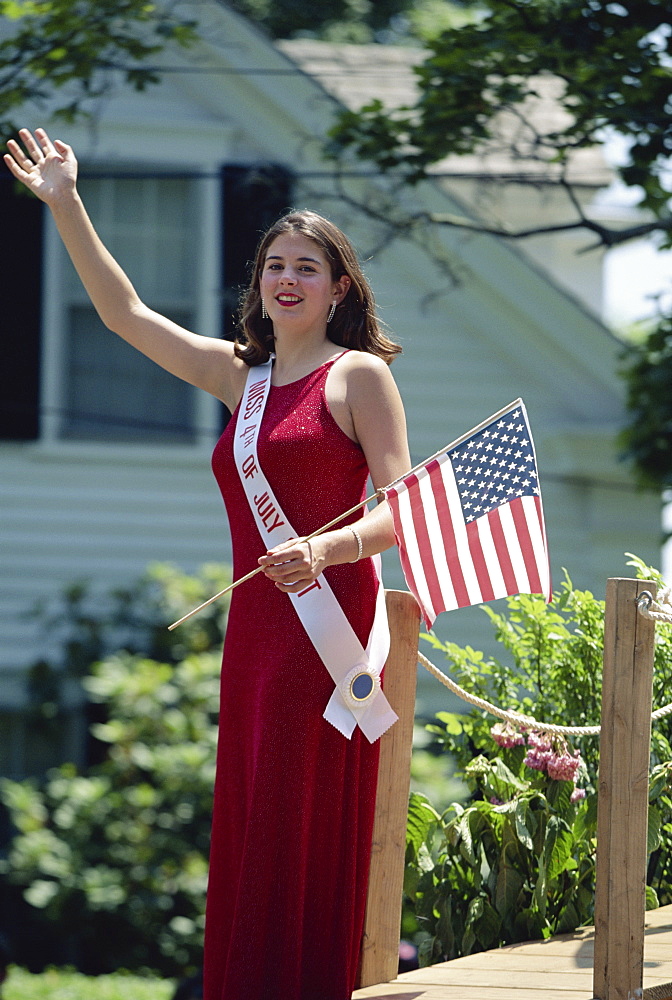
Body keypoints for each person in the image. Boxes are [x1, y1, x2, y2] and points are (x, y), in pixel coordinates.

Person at [4, 128, 411, 1000]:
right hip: (257, 634)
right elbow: (124, 316)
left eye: (308, 267)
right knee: (254, 822)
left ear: (339, 288)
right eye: (274, 266)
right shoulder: (242, 378)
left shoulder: (358, 378)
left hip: (327, 630)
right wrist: (67, 202)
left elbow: (401, 508)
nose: (288, 280)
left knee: (300, 824)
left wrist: (326, 548)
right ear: (257, 287)